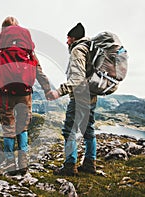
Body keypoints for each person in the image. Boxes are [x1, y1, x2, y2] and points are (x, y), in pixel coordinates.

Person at [0, 16, 52, 175]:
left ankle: (10, 165)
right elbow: (38, 71)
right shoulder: (28, 49)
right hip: (25, 93)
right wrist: (47, 89)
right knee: (22, 127)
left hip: (5, 94)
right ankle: (23, 164)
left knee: (8, 128)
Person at [47, 23, 97, 176]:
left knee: (69, 131)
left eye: (68, 38)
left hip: (80, 97)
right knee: (88, 128)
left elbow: (77, 78)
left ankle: (70, 165)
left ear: (73, 38)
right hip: (91, 96)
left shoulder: (77, 50)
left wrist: (58, 92)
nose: (66, 41)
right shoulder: (90, 49)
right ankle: (90, 163)